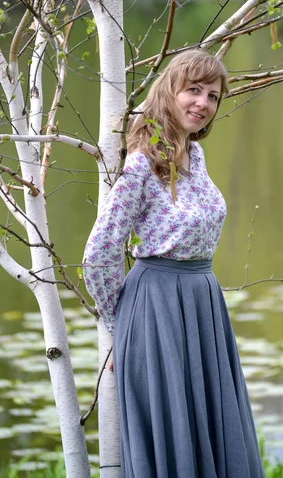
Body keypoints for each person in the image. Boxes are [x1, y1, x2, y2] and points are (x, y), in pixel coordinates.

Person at [83, 49, 266, 478]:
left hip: (203, 303)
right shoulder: (142, 164)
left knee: (213, 423)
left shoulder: (195, 157)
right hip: (158, 308)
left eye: (213, 96)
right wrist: (118, 325)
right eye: (194, 90)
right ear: (170, 92)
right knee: (174, 431)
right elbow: (99, 252)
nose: (203, 103)